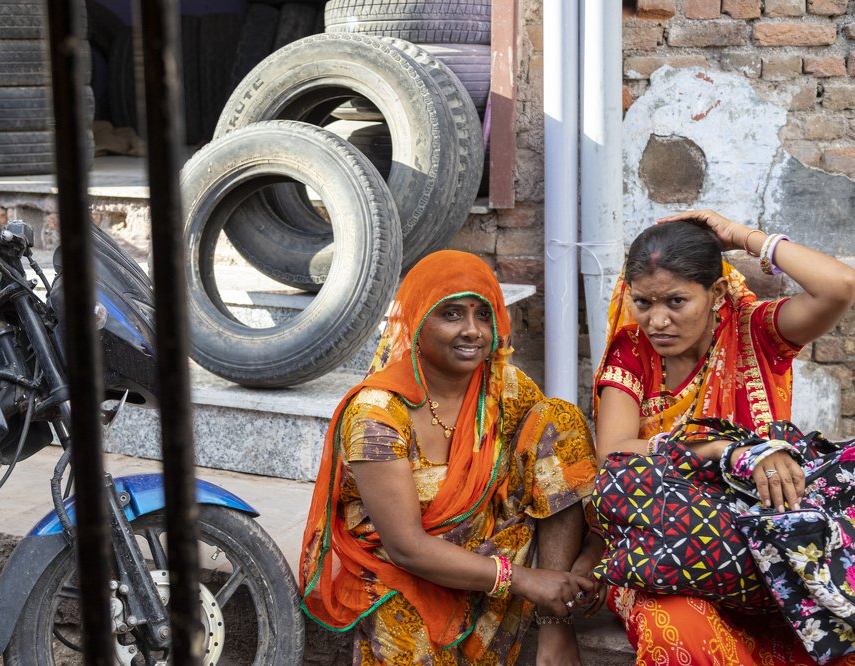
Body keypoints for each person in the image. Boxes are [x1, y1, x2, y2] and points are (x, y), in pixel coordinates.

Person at [300, 250, 605, 665]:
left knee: (560, 418)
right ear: (417, 321)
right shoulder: (376, 415)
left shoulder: (501, 385)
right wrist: (524, 580)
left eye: (484, 314)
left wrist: (576, 568)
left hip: (491, 549)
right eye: (452, 315)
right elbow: (407, 547)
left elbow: (557, 474)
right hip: (401, 571)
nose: (473, 331)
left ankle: (555, 621)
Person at [594, 210, 855, 665]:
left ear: (715, 293)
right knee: (675, 631)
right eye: (643, 303)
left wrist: (742, 237)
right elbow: (614, 452)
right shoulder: (633, 352)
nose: (657, 320)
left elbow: (839, 287)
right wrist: (725, 451)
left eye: (675, 302)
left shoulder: (757, 331)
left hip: (766, 545)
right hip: (664, 550)